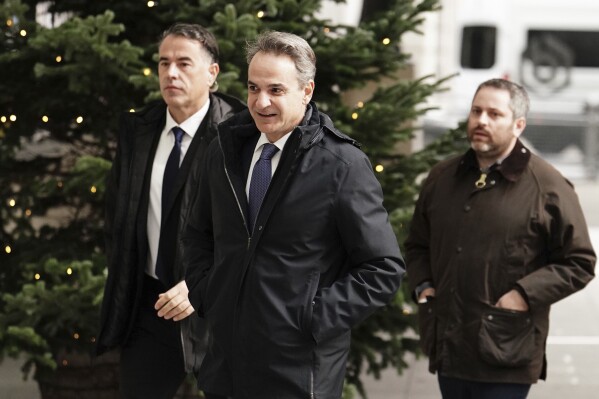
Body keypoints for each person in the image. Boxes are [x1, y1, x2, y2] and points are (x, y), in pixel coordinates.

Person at [181, 31, 404, 398]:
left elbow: (383, 268)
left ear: (306, 91)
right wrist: (209, 295)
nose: (260, 101)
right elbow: (197, 234)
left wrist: (310, 317)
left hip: (297, 373)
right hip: (225, 368)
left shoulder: (342, 166)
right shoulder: (224, 151)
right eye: (253, 88)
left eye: (276, 90)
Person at [405, 78, 596, 399]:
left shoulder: (548, 186)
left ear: (518, 125)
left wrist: (521, 295)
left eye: (495, 114)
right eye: (476, 111)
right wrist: (424, 285)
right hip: (449, 346)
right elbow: (417, 244)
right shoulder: (442, 177)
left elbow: (579, 262)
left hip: (507, 347)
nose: (481, 120)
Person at [96, 23, 244, 399]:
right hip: (152, 306)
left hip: (218, 308)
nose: (171, 73)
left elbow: (251, 231)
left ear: (212, 73)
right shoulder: (138, 130)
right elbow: (118, 214)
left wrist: (203, 284)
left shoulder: (239, 135)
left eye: (183, 63)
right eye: (164, 63)